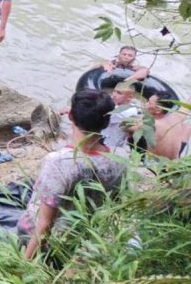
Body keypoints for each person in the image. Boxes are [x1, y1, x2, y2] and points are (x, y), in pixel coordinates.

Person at [19, 89, 126, 259]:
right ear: (107, 122)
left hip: (51, 243)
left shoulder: (58, 162)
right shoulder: (120, 159)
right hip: (81, 239)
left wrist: (24, 264)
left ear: (70, 117)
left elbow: (45, 224)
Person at [146, 91, 191, 160]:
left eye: (149, 102)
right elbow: (186, 107)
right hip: (173, 163)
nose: (145, 104)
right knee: (187, 127)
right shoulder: (175, 117)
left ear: (158, 110)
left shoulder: (150, 125)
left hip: (155, 164)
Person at [100, 81, 142, 150]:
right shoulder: (131, 106)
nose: (114, 95)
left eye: (119, 93)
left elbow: (102, 111)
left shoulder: (125, 112)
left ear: (129, 98)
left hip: (110, 146)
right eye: (114, 91)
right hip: (106, 141)